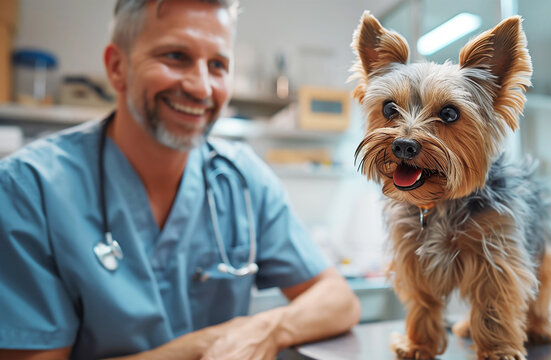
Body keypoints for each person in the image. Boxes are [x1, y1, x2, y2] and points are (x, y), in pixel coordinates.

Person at [0, 0, 361, 359]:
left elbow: (338, 299)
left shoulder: (241, 178)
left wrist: (266, 328)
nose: (201, 87)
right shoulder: (29, 189)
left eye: (217, 65)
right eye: (175, 56)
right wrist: (204, 346)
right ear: (117, 67)